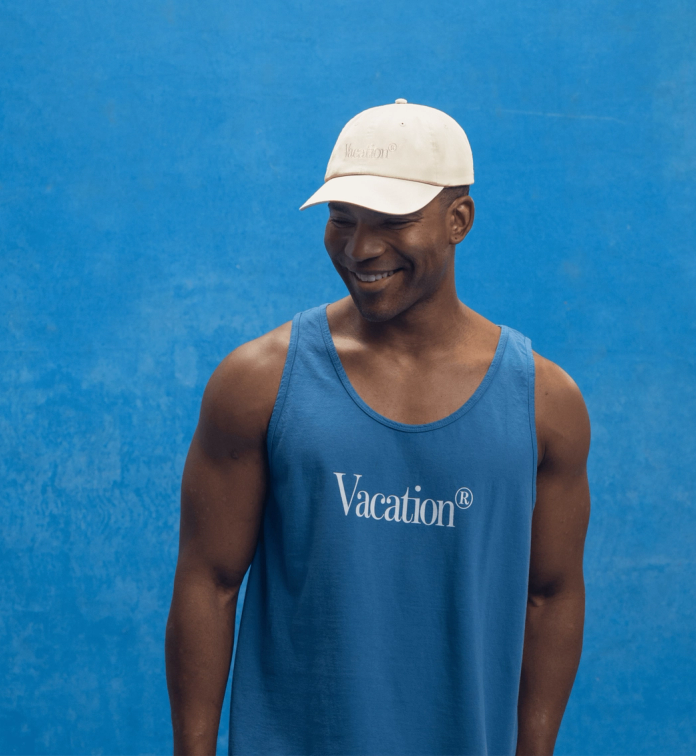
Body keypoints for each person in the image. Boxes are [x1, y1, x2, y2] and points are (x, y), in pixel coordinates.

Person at [165, 99, 591, 756]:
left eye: (392, 222)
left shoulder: (545, 403)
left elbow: (550, 593)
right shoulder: (257, 382)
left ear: (459, 220)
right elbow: (209, 580)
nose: (361, 249)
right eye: (342, 220)